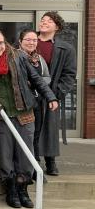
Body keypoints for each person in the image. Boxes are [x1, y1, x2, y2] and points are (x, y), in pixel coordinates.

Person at [0, 30, 58, 208]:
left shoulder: (18, 57)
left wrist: (51, 97)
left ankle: (23, 188)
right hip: (1, 115)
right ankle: (11, 189)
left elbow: (36, 78)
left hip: (24, 112)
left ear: (5, 42)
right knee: (5, 154)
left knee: (25, 153)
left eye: (0, 42)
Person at [36, 11, 77, 176]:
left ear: (57, 27)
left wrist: (56, 94)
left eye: (49, 21)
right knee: (31, 128)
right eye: (42, 20)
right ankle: (32, 161)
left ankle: (50, 161)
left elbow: (69, 74)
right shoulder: (29, 42)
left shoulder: (65, 48)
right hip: (30, 94)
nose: (44, 22)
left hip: (51, 94)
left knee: (50, 128)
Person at [18, 29, 52, 164]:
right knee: (24, 134)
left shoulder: (39, 59)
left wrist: (35, 82)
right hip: (22, 102)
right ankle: (24, 165)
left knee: (36, 134)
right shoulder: (15, 56)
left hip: (37, 102)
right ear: (20, 41)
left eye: (34, 40)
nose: (31, 43)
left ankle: (34, 163)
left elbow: (47, 77)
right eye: (28, 40)